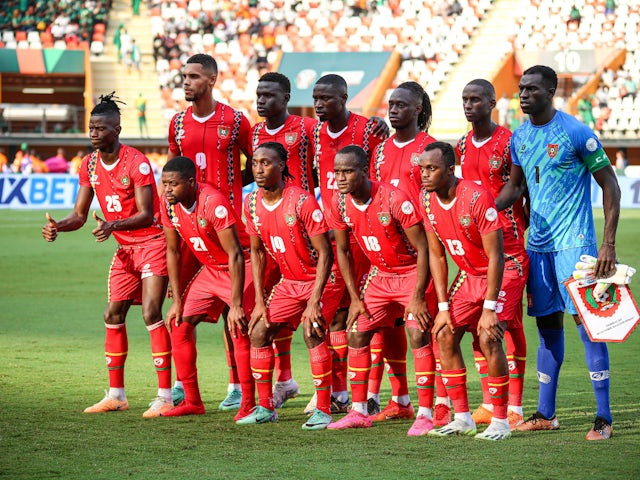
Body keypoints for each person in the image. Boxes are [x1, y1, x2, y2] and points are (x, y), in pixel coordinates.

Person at [495, 65, 621, 441]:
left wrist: (608, 243)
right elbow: (515, 189)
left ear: (551, 90)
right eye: (521, 89)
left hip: (577, 245)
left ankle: (604, 417)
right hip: (540, 247)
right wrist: (485, 208)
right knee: (547, 327)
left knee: (588, 327)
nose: (524, 94)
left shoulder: (576, 132)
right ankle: (546, 413)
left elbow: (610, 185)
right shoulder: (519, 137)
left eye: (532, 89)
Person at [41, 93, 173, 418]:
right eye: (91, 128)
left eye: (100, 128)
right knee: (113, 314)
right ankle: (116, 395)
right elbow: (80, 215)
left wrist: (113, 224)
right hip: (125, 248)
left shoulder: (137, 162)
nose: (94, 133)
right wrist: (59, 225)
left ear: (117, 128)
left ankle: (166, 396)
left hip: (152, 243)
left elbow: (146, 213)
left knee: (151, 312)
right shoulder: (88, 165)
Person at [325, 145, 436, 437]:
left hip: (412, 272)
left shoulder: (395, 199)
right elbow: (344, 251)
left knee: (417, 332)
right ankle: (359, 411)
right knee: (357, 332)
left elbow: (423, 248)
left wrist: (417, 296)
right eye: (337, 172)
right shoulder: (339, 203)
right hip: (380, 277)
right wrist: (355, 298)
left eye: (348, 171)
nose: (341, 177)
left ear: (364, 171)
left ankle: (426, 413)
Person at [167, 53, 253, 413]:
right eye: (183, 76)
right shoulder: (177, 123)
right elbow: (174, 167)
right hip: (189, 227)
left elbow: (257, 162)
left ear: (213, 79)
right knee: (178, 306)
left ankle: (240, 387)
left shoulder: (234, 121)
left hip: (226, 225)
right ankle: (179, 386)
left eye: (194, 76)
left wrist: (231, 188)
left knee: (237, 311)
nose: (186, 82)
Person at [241, 142, 343, 429]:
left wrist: (314, 301)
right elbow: (257, 253)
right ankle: (265, 407)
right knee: (259, 331)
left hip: (322, 280)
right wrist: (260, 300)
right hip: (290, 282)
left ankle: (324, 408)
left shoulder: (302, 202)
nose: (259, 169)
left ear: (282, 166)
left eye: (266, 163)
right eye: (255, 163)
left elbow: (326, 252)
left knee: (313, 331)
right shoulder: (251, 203)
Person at [419, 141, 512, 441]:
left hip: (503, 272)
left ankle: (500, 421)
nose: (425, 174)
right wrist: (443, 307)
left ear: (450, 169)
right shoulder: (427, 199)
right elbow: (436, 254)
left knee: (489, 336)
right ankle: (462, 418)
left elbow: (496, 256)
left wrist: (489, 308)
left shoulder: (476, 197)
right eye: (422, 169)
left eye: (431, 169)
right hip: (469, 275)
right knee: (443, 333)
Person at [309, 74, 389, 416]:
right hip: (331, 235)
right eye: (315, 98)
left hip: (365, 234)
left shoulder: (368, 130)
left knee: (369, 314)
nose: (318, 104)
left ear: (344, 97)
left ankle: (371, 393)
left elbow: (380, 175)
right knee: (337, 315)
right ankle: (339, 390)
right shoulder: (313, 132)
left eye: (326, 98)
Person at [456, 79, 529, 429]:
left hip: (508, 242)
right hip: (476, 247)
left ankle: (513, 407)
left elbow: (518, 187)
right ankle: (488, 401)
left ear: (492, 102)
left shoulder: (510, 141)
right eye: (465, 99)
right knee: (478, 325)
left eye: (476, 99)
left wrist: (486, 210)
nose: (470, 105)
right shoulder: (461, 145)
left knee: (504, 324)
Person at [369, 81, 443, 425]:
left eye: (401, 104)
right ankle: (400, 399)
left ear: (418, 109)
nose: (393, 109)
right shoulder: (380, 150)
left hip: (424, 252)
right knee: (387, 329)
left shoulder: (430, 147)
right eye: (391, 104)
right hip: (388, 254)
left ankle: (440, 402)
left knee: (426, 329)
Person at [159, 156, 256, 418]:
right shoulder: (169, 205)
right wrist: (177, 300)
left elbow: (236, 253)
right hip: (211, 271)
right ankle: (192, 401)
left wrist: (235, 304)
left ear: (191, 182)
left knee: (239, 326)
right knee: (179, 323)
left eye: (173, 184)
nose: (167, 189)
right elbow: (173, 252)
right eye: (164, 183)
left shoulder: (213, 202)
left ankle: (248, 402)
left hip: (242, 265)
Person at [250, 71, 319, 407]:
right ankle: (285, 381)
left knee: (326, 313)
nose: (262, 100)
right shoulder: (255, 133)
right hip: (272, 222)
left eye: (269, 95)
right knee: (273, 310)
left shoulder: (306, 129)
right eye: (258, 94)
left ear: (286, 97)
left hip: (305, 222)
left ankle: (333, 391)